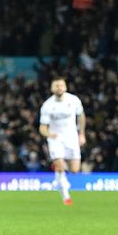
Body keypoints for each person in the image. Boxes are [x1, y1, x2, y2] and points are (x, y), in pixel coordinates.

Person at [38, 77, 86, 205]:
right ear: (52, 88)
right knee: (59, 166)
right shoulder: (48, 105)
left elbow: (81, 117)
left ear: (65, 87)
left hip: (71, 138)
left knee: (75, 170)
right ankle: (65, 195)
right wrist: (49, 134)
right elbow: (42, 128)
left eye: (61, 85)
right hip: (56, 138)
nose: (59, 87)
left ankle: (61, 179)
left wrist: (81, 134)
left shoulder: (74, 100)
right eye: (56, 85)